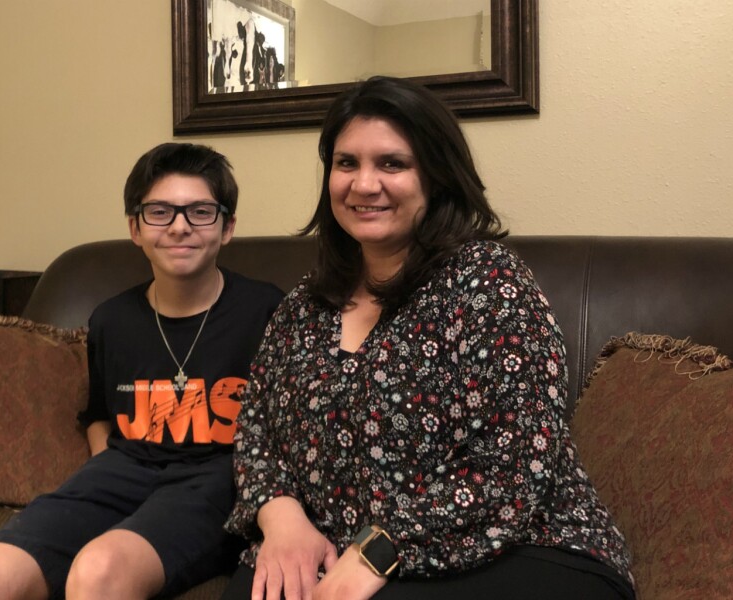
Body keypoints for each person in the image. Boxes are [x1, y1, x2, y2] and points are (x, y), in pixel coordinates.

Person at [221, 76, 635, 600]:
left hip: (521, 547)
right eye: (346, 163)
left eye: (392, 163)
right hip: (341, 549)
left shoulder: (489, 283)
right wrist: (282, 521)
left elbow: (513, 465)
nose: (363, 184)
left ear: (436, 177)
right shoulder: (305, 304)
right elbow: (256, 426)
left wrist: (379, 551)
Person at [0, 143, 284, 600]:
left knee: (98, 571)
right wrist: (109, 471)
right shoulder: (111, 318)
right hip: (123, 470)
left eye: (201, 211)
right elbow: (99, 414)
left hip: (216, 481)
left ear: (227, 228)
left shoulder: (266, 310)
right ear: (135, 228)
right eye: (160, 212)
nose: (180, 226)